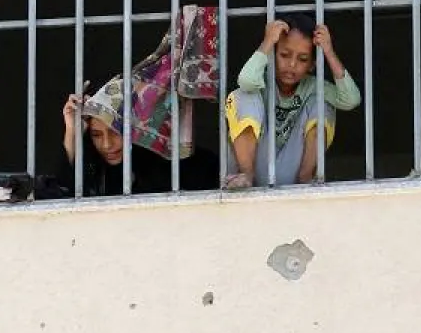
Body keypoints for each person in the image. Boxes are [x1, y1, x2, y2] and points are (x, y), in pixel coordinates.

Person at [224, 14, 362, 187]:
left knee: (321, 104)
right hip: (253, 164)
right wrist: (267, 42)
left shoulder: (312, 87)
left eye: (302, 59)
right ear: (272, 55)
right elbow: (245, 81)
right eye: (284, 55)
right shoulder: (261, 81)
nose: (292, 65)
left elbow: (351, 100)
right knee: (244, 94)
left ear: (312, 65)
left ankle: (306, 177)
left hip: (291, 170)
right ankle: (246, 174)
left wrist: (328, 51)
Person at [57, 81, 219, 197]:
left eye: (116, 132)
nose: (106, 145)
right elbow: (63, 195)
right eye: (96, 135)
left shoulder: (186, 165)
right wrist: (72, 132)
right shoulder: (94, 167)